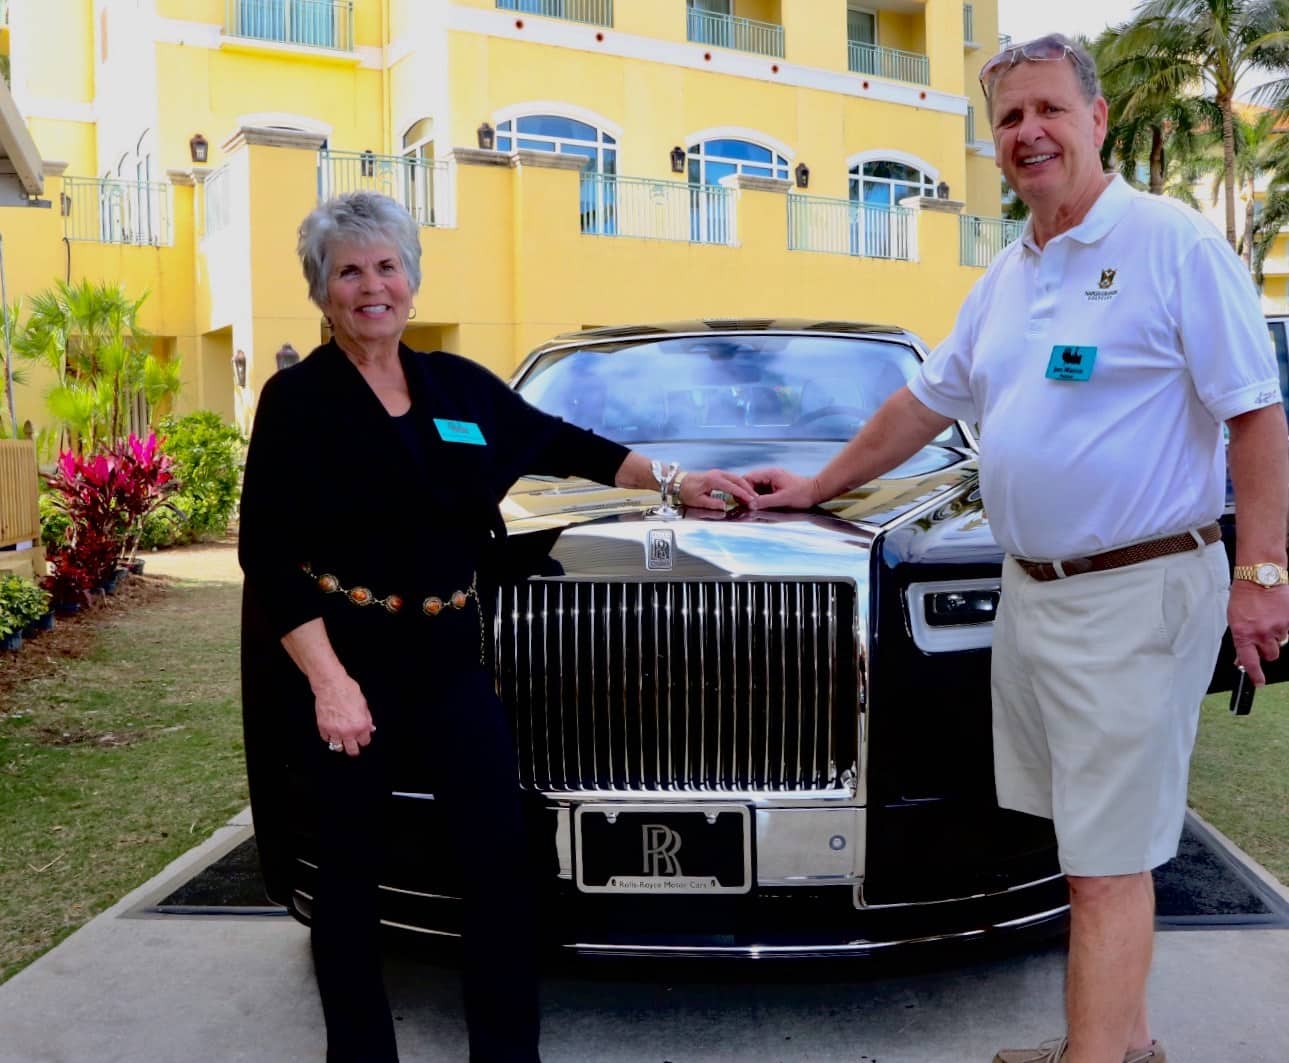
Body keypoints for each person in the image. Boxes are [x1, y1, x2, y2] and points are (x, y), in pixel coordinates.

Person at [745, 34, 1289, 1063]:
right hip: (1034, 593)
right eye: (1007, 118)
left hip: (1136, 587)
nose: (1027, 132)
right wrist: (816, 486)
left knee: (1106, 861)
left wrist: (1262, 573)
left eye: (1047, 109)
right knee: (1086, 843)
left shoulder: (1170, 242)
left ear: (1096, 119)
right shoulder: (1008, 272)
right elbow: (920, 404)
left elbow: (1255, 414)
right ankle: (1118, 1041)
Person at [238, 190, 756, 1063]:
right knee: (351, 877)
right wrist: (330, 685)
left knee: (497, 862)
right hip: (351, 660)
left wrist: (674, 480)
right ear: (323, 292)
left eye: (387, 266)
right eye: (349, 271)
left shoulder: (454, 384)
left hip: (449, 658)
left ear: (411, 277)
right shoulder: (297, 399)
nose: (372, 286)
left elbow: (563, 442)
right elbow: (266, 550)